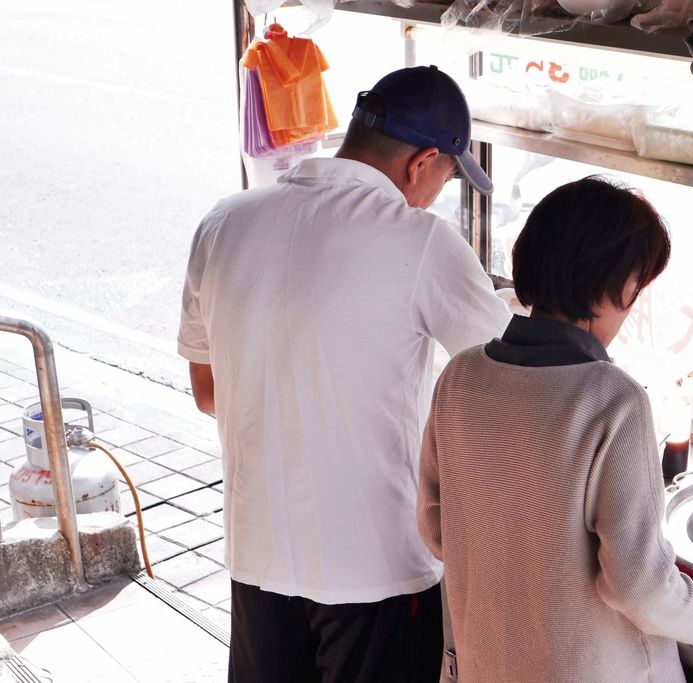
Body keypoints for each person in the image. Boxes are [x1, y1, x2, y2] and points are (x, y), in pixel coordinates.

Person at [178, 66, 511, 682]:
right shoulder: (421, 242)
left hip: (257, 557)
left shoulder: (224, 221)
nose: (437, 192)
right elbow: (518, 377)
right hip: (376, 568)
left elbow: (208, 393)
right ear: (423, 162)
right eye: (445, 176)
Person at [417, 176, 693, 682]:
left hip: (489, 664)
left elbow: (438, 530)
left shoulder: (461, 376)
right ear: (619, 285)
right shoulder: (613, 401)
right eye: (638, 285)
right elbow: (640, 586)